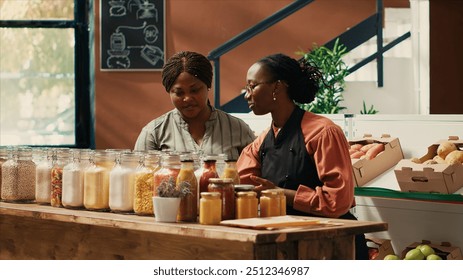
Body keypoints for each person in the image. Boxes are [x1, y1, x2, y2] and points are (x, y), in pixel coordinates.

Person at [236, 53, 369, 260]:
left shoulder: (323, 132)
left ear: (277, 87)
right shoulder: (262, 141)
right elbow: (245, 183)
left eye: (252, 86)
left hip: (334, 245)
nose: (247, 95)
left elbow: (338, 200)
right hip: (291, 244)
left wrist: (280, 194)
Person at [134, 51, 256, 160]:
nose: (187, 98)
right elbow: (140, 180)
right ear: (169, 92)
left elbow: (254, 176)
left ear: (208, 86)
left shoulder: (238, 129)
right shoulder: (153, 133)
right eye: (179, 93)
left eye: (195, 90)